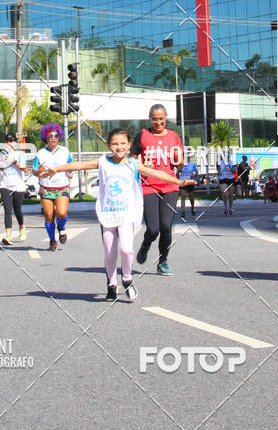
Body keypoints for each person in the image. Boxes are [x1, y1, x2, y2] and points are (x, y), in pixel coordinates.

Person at [43, 127, 195, 301]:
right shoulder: (102, 162)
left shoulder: (133, 165)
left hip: (126, 214)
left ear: (129, 145)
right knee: (110, 253)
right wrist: (57, 168)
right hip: (107, 215)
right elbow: (77, 165)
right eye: (115, 144)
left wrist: (180, 182)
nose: (119, 147)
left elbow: (157, 173)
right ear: (109, 146)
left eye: (123, 143)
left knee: (126, 249)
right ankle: (112, 284)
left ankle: (128, 279)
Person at [130, 104, 186, 276]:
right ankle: (146, 244)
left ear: (166, 118)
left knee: (166, 227)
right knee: (153, 229)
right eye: (155, 118)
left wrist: (179, 160)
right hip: (148, 186)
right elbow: (132, 159)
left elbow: (180, 165)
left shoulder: (174, 137)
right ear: (150, 118)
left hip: (169, 186)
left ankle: (163, 262)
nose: (158, 122)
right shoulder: (143, 135)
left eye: (161, 118)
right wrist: (141, 165)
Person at [32, 123, 73, 251]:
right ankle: (52, 240)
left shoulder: (64, 151)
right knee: (49, 215)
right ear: (46, 138)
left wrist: (69, 172)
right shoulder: (40, 153)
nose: (53, 138)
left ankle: (61, 227)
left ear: (58, 137)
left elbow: (71, 164)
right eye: (50, 136)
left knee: (61, 213)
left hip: (62, 187)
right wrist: (38, 171)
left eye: (56, 135)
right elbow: (34, 171)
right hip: (46, 188)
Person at [0, 133, 28, 245]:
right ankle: (8, 236)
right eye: (7, 141)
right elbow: (1, 168)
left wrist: (14, 161)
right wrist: (0, 163)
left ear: (15, 142)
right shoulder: (3, 154)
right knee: (8, 211)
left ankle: (21, 227)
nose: (9, 143)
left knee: (17, 210)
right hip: (5, 185)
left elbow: (25, 169)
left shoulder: (20, 154)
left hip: (18, 186)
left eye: (11, 141)